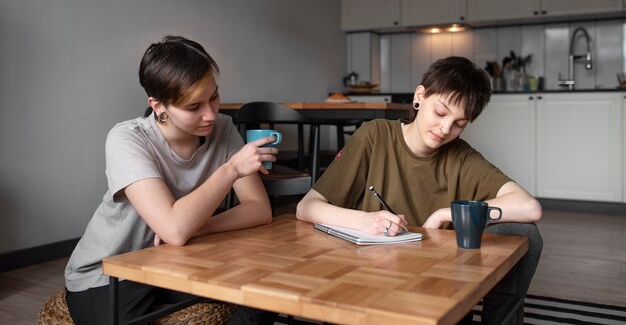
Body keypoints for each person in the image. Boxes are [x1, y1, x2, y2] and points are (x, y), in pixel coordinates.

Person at [296, 56, 543, 325]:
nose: (446, 129)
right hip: (370, 286)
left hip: (435, 291)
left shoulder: (460, 156)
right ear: (420, 96)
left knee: (527, 234)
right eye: (440, 112)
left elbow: (529, 207)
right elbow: (306, 207)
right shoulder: (375, 136)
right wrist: (366, 220)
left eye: (460, 123)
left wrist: (443, 214)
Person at [64, 36, 274, 325]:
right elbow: (174, 229)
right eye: (193, 107)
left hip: (174, 262)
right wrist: (231, 170)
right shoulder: (127, 139)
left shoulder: (223, 128)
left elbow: (259, 209)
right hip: (108, 273)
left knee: (265, 291)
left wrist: (199, 229)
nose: (210, 114)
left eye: (213, 97)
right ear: (158, 105)